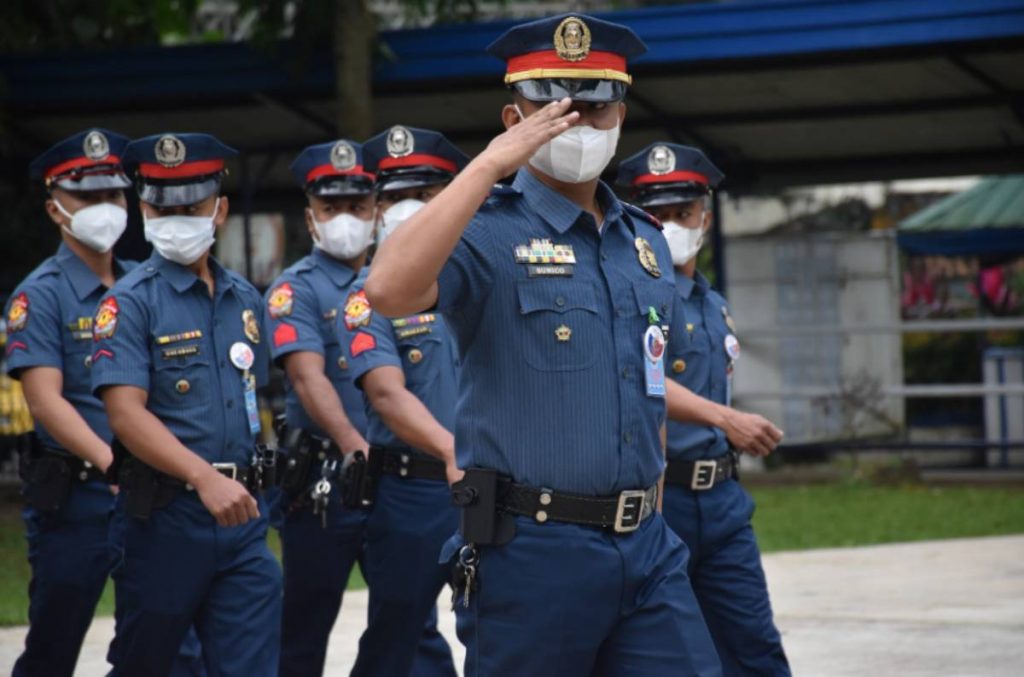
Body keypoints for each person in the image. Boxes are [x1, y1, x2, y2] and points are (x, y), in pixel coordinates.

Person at [364, 14, 721, 676]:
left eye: (595, 104)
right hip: (534, 552)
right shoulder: (484, 229)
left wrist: (654, 509)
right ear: (512, 116)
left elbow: (643, 391)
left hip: (647, 546)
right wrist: (490, 165)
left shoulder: (641, 243)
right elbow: (385, 289)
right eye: (553, 105)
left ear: (620, 113)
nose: (576, 122)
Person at [91, 132, 281, 676]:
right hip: (166, 520)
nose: (176, 217)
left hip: (241, 519)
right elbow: (126, 414)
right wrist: (204, 478)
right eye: (162, 205)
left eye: (191, 206)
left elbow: (251, 396)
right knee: (152, 665)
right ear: (143, 210)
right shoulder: (128, 303)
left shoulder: (244, 298)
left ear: (218, 210)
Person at [264, 139, 450, 676]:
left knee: (410, 621)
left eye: (357, 206)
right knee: (306, 620)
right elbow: (307, 376)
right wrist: (354, 445)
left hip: (397, 477)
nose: (346, 218)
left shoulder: (416, 283)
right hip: (330, 478)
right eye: (332, 208)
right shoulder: (294, 290)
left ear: (374, 211)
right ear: (311, 217)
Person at [618, 142, 790, 676]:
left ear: (705, 219)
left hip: (722, 501)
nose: (671, 225)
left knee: (755, 647)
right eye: (658, 214)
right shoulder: (631, 295)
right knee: (676, 657)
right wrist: (725, 418)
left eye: (682, 213)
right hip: (663, 497)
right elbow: (643, 381)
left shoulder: (712, 303)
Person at [5, 129, 137, 677]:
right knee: (55, 648)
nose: (105, 209)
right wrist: (115, 464)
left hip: (149, 496)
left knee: (161, 641)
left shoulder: (141, 286)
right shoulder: (39, 295)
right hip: (78, 499)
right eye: (88, 198)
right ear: (56, 209)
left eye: (114, 196)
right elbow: (46, 402)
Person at [342, 126, 467, 677]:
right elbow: (387, 395)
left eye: (416, 195)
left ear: (449, 196)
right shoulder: (368, 294)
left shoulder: (483, 280)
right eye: (388, 197)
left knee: (506, 629)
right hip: (414, 491)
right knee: (398, 637)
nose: (399, 209)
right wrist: (450, 449)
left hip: (500, 487)